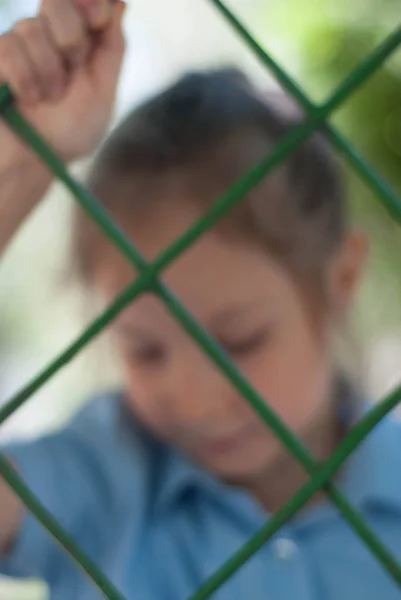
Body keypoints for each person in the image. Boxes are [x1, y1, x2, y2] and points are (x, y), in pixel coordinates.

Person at [0, 1, 400, 599]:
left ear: (341, 280)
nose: (193, 399)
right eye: (145, 351)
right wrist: (19, 162)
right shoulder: (106, 476)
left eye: (239, 342)